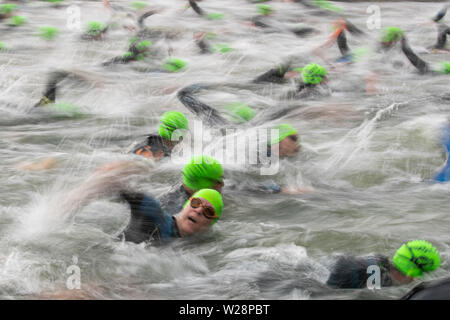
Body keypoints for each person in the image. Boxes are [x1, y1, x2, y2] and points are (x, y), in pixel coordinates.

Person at [120, 188, 223, 244]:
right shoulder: (154, 215)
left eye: (208, 212)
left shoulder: (202, 246)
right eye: (196, 203)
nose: (199, 210)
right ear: (186, 205)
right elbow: (123, 189)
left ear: (211, 223)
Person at [326, 240, 441, 289]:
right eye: (422, 273)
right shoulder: (379, 279)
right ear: (413, 271)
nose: (417, 279)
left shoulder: (381, 260)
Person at [159, 155, 224, 215]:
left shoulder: (183, 191)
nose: (223, 184)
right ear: (201, 184)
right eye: (219, 181)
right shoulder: (180, 210)